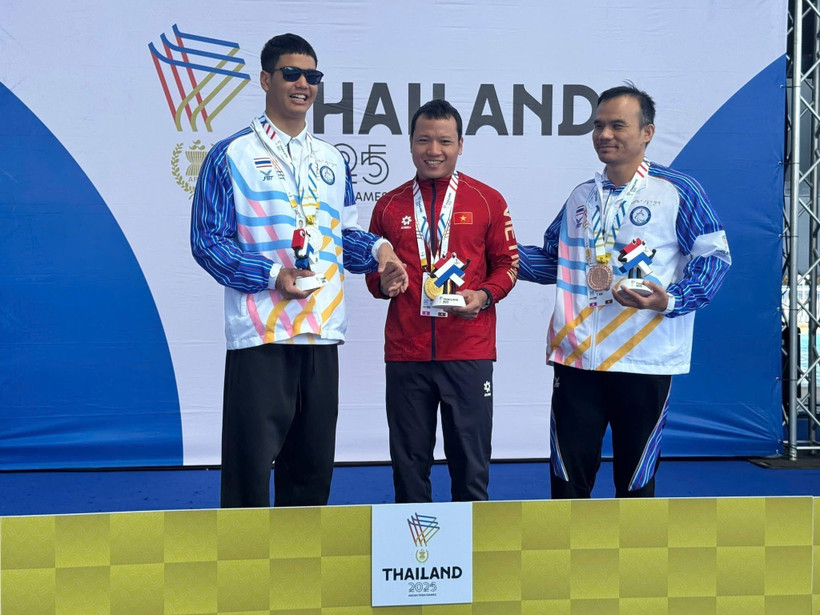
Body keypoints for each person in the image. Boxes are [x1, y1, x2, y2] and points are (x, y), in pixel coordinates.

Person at [191, 33, 408, 508]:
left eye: (312, 76)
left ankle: (300, 575)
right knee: (249, 475)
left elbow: (343, 238)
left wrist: (382, 254)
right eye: (291, 73)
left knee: (311, 475)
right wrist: (273, 276)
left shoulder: (332, 159)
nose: (303, 84)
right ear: (266, 79)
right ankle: (245, 575)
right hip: (261, 336)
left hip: (322, 333)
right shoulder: (230, 155)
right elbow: (208, 243)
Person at [518, 84, 731, 499]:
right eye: (598, 125)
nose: (604, 135)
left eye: (618, 125)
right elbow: (552, 261)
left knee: (635, 481)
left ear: (647, 133)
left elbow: (715, 258)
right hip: (577, 355)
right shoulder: (582, 196)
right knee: (567, 478)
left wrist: (670, 301)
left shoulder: (678, 191)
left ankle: (634, 565)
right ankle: (565, 561)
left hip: (644, 358)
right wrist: (493, 257)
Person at [366, 99, 519, 503]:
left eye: (444, 141)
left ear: (461, 145)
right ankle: (413, 558)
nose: (434, 150)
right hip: (406, 353)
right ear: (411, 144)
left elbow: (508, 264)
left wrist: (484, 295)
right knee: (408, 466)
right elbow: (370, 274)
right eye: (424, 140)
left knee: (471, 465)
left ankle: (470, 555)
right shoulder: (388, 205)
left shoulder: (487, 200)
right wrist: (385, 284)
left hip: (468, 349)